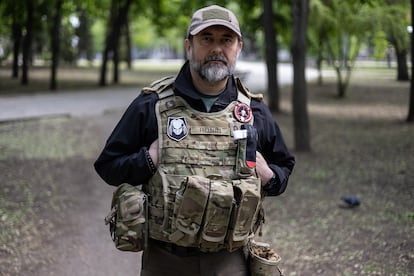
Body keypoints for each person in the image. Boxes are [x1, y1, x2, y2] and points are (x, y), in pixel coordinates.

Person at [94, 4, 295, 276]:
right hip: (166, 261)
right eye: (206, 38)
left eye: (226, 40)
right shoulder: (152, 104)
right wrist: (148, 160)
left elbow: (283, 169)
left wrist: (269, 175)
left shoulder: (253, 111)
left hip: (230, 261)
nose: (216, 48)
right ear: (189, 45)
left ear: (238, 48)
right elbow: (108, 166)